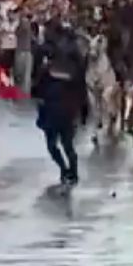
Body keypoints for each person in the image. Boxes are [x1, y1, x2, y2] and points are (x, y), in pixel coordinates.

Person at [32, 24, 88, 188]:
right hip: (60, 111)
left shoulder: (68, 68)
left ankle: (68, 170)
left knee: (58, 145)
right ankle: (69, 171)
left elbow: (35, 90)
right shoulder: (66, 69)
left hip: (58, 111)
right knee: (64, 145)